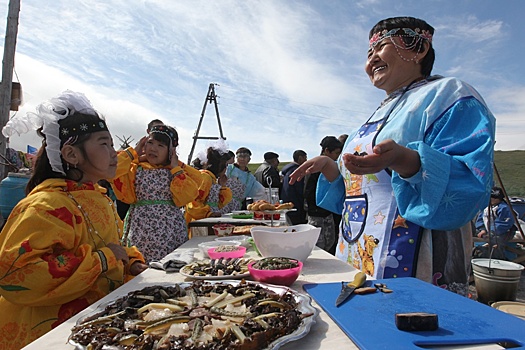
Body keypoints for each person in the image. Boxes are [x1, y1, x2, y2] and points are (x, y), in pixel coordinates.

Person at [290, 17, 495, 296]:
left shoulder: (448, 95)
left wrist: (406, 161)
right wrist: (330, 169)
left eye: (380, 48)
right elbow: (357, 196)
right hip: (356, 253)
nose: (371, 60)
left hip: (414, 255)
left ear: (418, 49)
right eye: (368, 54)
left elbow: (469, 182)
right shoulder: (376, 115)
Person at [0, 91, 148, 349]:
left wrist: (130, 262)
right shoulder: (47, 205)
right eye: (104, 144)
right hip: (48, 332)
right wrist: (104, 259)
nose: (114, 154)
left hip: (90, 322)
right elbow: (17, 275)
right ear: (71, 154)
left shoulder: (98, 198)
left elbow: (113, 245)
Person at [111, 124, 200, 263]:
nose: (153, 148)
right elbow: (112, 171)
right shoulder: (135, 168)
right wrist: (134, 154)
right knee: (141, 266)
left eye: (160, 145)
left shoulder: (175, 171)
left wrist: (176, 168)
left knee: (171, 265)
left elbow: (190, 194)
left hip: (170, 230)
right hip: (141, 229)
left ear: (170, 151)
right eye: (150, 143)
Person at [304, 137, 343, 252]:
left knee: (330, 240)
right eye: (336, 153)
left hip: (327, 213)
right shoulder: (315, 168)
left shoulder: (331, 166)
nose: (337, 156)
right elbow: (309, 192)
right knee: (317, 244)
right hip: (316, 213)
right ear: (327, 151)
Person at [185, 140, 233, 224]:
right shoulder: (205, 177)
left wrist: (222, 186)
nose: (226, 169)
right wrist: (207, 213)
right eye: (225, 165)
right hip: (201, 221)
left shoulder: (213, 179)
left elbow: (220, 203)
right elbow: (193, 201)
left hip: (210, 220)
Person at [475, 187, 518, 260]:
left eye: (495, 198)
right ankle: (479, 254)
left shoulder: (504, 208)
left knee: (496, 241)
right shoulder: (486, 208)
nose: (492, 199)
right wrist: (482, 229)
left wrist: (492, 231)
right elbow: (480, 219)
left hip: (504, 231)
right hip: (487, 230)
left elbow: (504, 223)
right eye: (491, 197)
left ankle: (500, 258)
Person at [281, 150, 308, 225]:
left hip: (288, 204)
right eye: (305, 158)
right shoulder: (297, 171)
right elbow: (300, 190)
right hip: (297, 206)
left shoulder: (287, 171)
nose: (306, 161)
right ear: (300, 158)